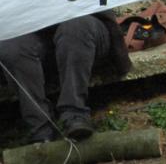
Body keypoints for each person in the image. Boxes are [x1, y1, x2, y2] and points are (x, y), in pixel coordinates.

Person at [0, 14, 129, 143]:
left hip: (85, 27)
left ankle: (75, 115)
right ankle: (40, 127)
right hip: (34, 35)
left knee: (75, 27)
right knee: (11, 47)